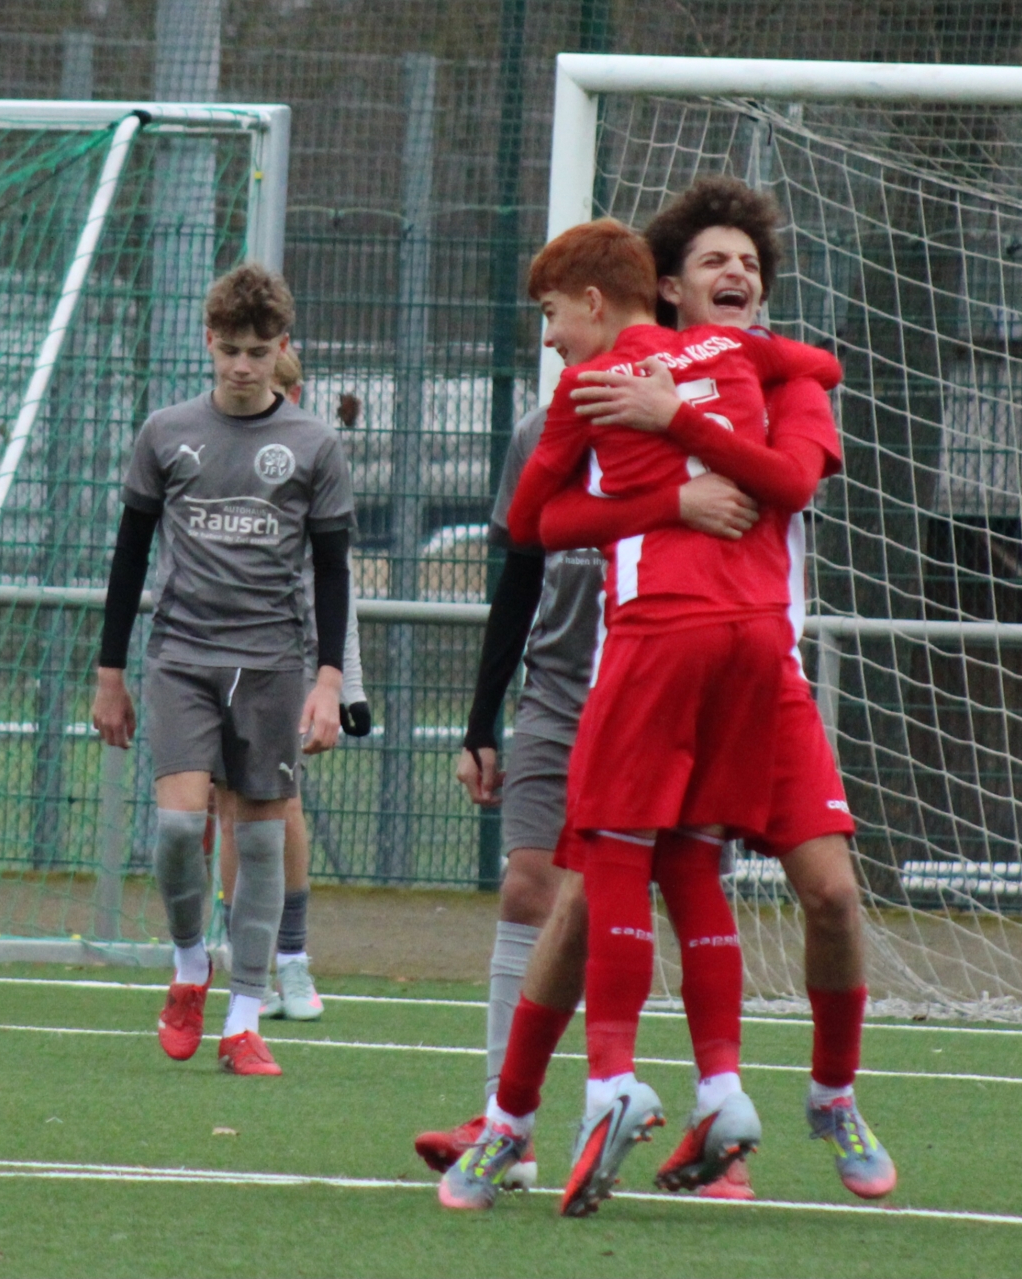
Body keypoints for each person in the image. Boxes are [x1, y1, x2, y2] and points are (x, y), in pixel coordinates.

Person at [411, 405, 757, 1192]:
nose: (550, 343)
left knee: (684, 894)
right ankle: (505, 1122)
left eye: (560, 330)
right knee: (528, 886)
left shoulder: (699, 415)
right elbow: (519, 575)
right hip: (560, 696)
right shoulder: (540, 432)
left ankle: (719, 1130)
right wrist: (480, 721)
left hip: (668, 693)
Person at [92, 263, 354, 1077]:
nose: (243, 366)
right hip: (181, 655)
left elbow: (334, 571)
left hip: (273, 663)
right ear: (208, 341)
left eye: (258, 352)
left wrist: (329, 680)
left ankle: (244, 1019)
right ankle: (188, 966)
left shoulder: (314, 444)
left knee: (263, 840)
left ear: (283, 349)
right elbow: (129, 556)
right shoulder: (166, 432)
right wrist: (109, 672)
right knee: (179, 830)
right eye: (230, 349)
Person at [208, 347, 373, 1021]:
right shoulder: (216, 457)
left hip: (291, 658)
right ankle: (246, 960)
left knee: (281, 805)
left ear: (292, 393)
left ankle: (293, 958)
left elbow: (335, 583)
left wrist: (347, 684)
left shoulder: (313, 462)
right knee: (228, 809)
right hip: (224, 651)